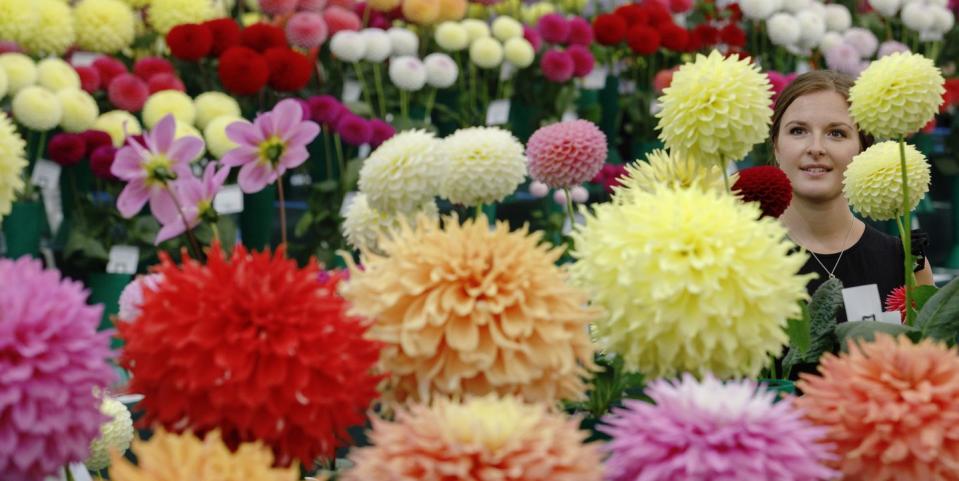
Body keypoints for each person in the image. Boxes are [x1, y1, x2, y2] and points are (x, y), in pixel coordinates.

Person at [771, 70, 934, 316]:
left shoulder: (907, 264)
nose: (816, 148)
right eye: (798, 131)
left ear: (863, 149)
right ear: (776, 147)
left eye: (836, 133)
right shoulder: (741, 256)